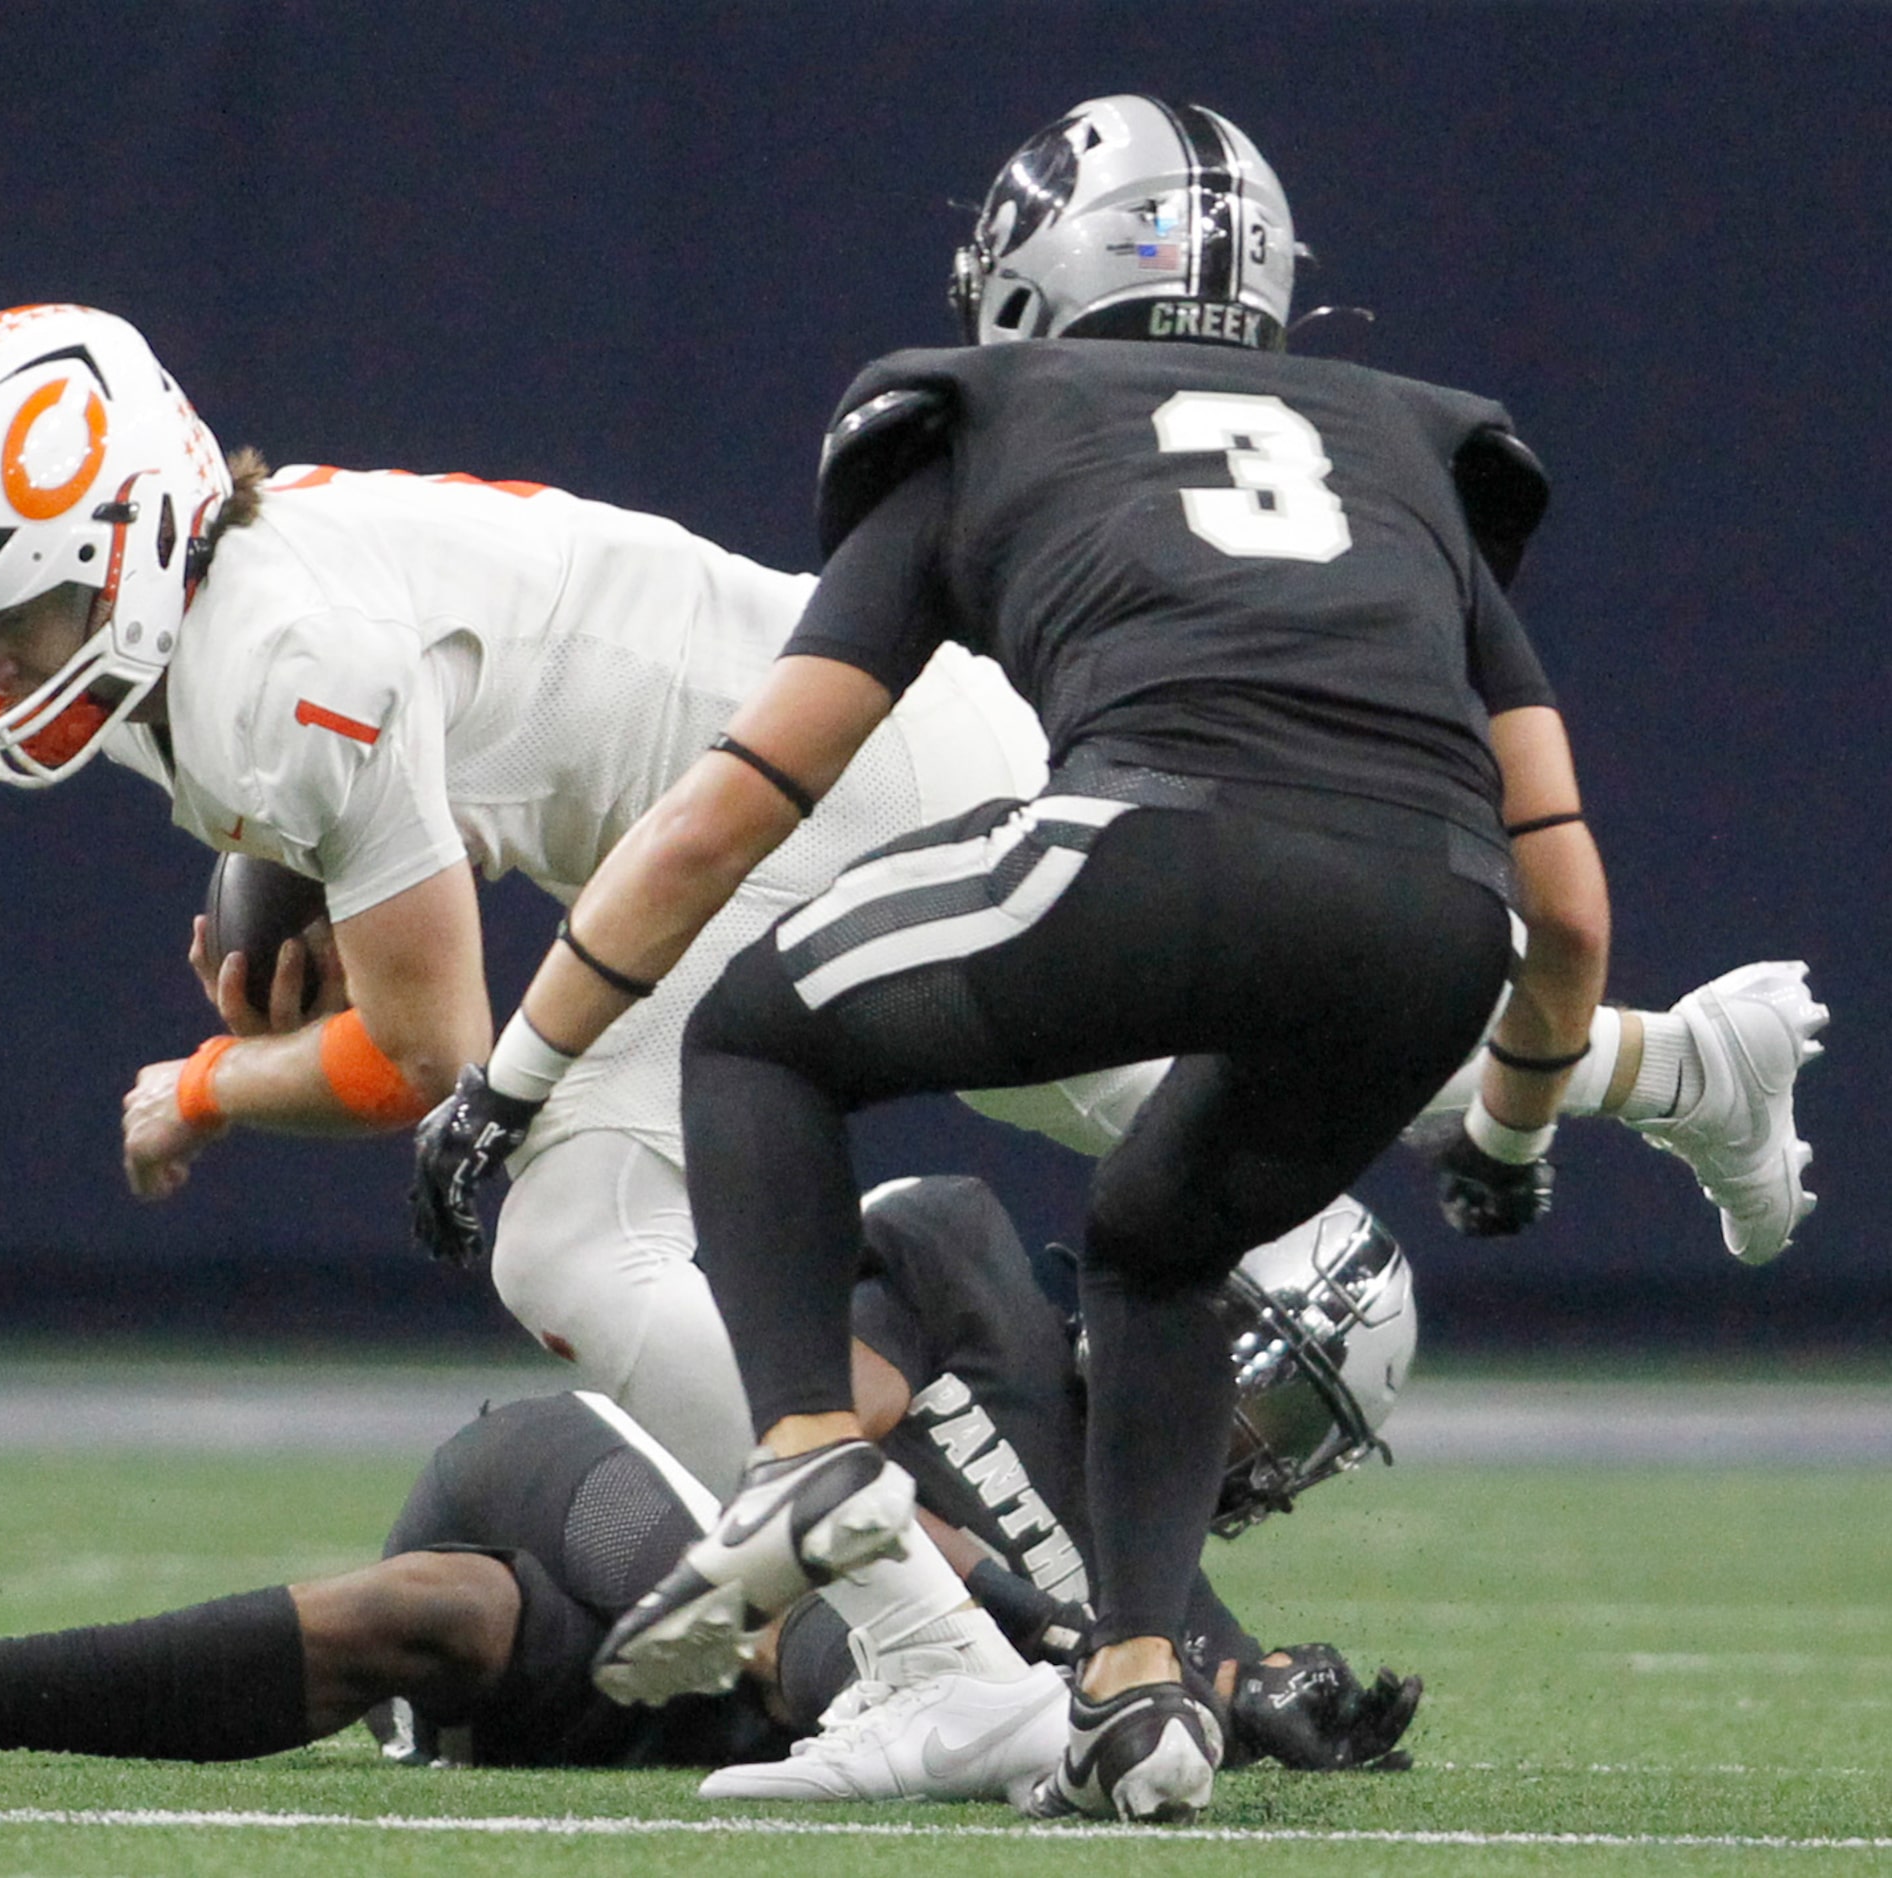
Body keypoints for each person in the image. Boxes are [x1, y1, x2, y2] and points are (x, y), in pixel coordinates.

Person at [0, 292, 1819, 1796]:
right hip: (716, 850)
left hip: (826, 797)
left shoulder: (277, 664)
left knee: (1203, 1053)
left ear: (128, 537)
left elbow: (428, 1061)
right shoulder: (246, 601)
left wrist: (197, 1091)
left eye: (6, 627)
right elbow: (355, 788)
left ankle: (937, 1651)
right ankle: (937, 1653)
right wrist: (278, 868)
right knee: (618, 1216)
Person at [406, 94, 1789, 1823]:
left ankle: (805, 1468)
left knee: (758, 1033)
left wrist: (511, 1076)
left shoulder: (987, 416)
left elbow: (733, 809)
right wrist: (1506, 1137)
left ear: (1054, 264)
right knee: (1157, 1235)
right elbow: (1566, 903)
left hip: (1165, 844)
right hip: (1438, 921)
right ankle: (1138, 1692)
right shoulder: (1406, 447)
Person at [0, 1177, 1418, 1792]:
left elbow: (1175, 1675)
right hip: (590, 1491)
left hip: (632, 1690)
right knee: (832, 1604)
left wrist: (1265, 1702)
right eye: (1279, 1404)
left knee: (442, 1634)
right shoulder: (968, 1272)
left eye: (1300, 1444)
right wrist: (1096, 1640)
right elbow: (811, 1438)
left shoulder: (1153, 1556)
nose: (1260, 1459)